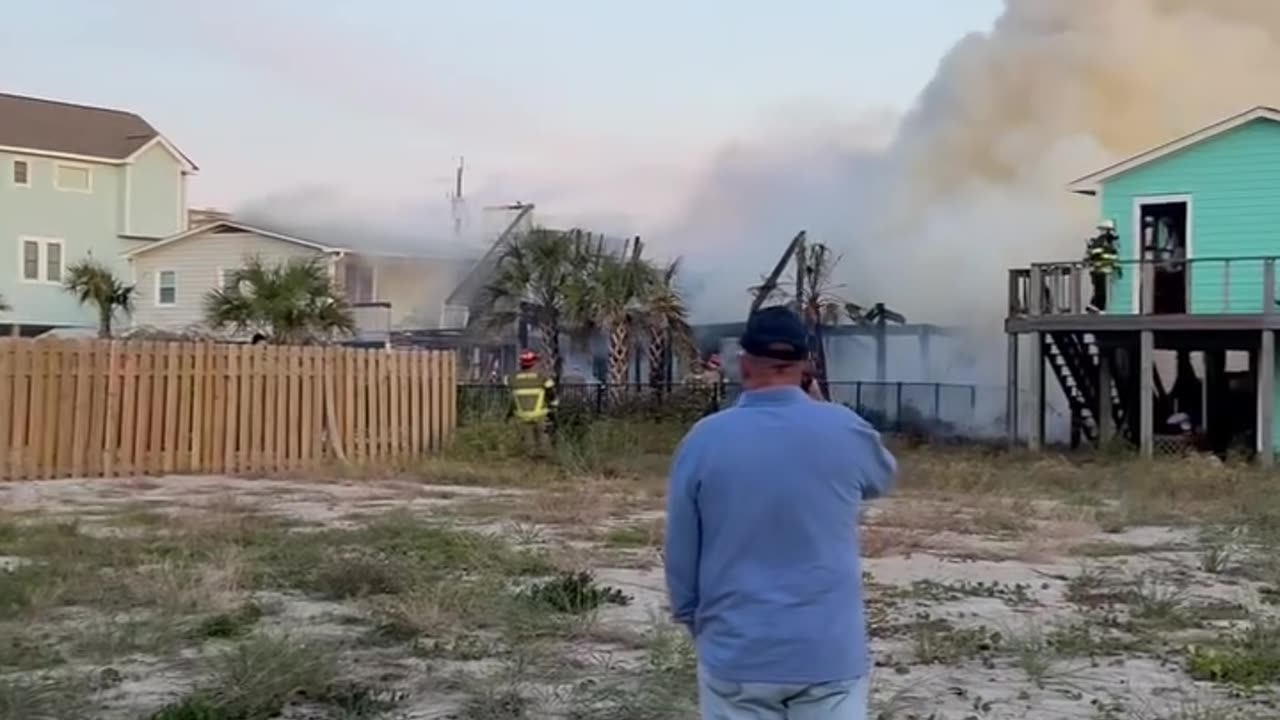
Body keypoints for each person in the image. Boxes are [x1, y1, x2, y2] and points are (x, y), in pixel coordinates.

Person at [664, 305, 897, 720]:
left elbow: (682, 544)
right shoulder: (844, 429)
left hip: (737, 649)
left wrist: (691, 616)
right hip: (828, 651)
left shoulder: (704, 439)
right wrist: (823, 407)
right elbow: (881, 477)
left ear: (743, 362)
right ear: (806, 366)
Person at [505, 349, 557, 453]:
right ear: (534, 363)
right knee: (544, 444)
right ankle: (543, 458)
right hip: (540, 414)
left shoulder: (511, 378)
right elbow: (552, 393)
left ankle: (529, 457)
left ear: (521, 363)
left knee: (528, 446)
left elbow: (509, 395)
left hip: (522, 415)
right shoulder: (542, 377)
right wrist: (552, 404)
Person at [1085, 220, 1121, 313]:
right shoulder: (1101, 241)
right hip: (1100, 270)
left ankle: (1095, 307)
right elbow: (1097, 255)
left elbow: (1111, 257)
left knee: (1100, 290)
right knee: (1101, 291)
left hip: (1102, 270)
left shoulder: (1108, 242)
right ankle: (1097, 307)